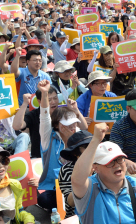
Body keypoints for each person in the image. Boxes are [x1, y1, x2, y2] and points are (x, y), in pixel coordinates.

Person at [71, 123, 136, 224]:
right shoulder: (89, 189)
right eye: (110, 162)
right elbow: (77, 180)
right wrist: (96, 139)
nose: (117, 165)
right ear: (95, 167)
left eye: (119, 159)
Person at [37, 80, 88, 211]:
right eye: (68, 124)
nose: (72, 127)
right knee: (44, 199)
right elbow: (44, 117)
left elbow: (84, 127)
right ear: (56, 125)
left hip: (78, 183)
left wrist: (76, 110)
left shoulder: (76, 133)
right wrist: (44, 93)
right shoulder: (48, 136)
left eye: (73, 123)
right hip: (55, 186)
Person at [58, 131, 93, 219]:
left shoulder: (104, 165)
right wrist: (85, 180)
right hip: (76, 217)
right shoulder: (66, 170)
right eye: (86, 146)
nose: (92, 149)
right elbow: (70, 202)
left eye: (93, 145)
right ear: (75, 153)